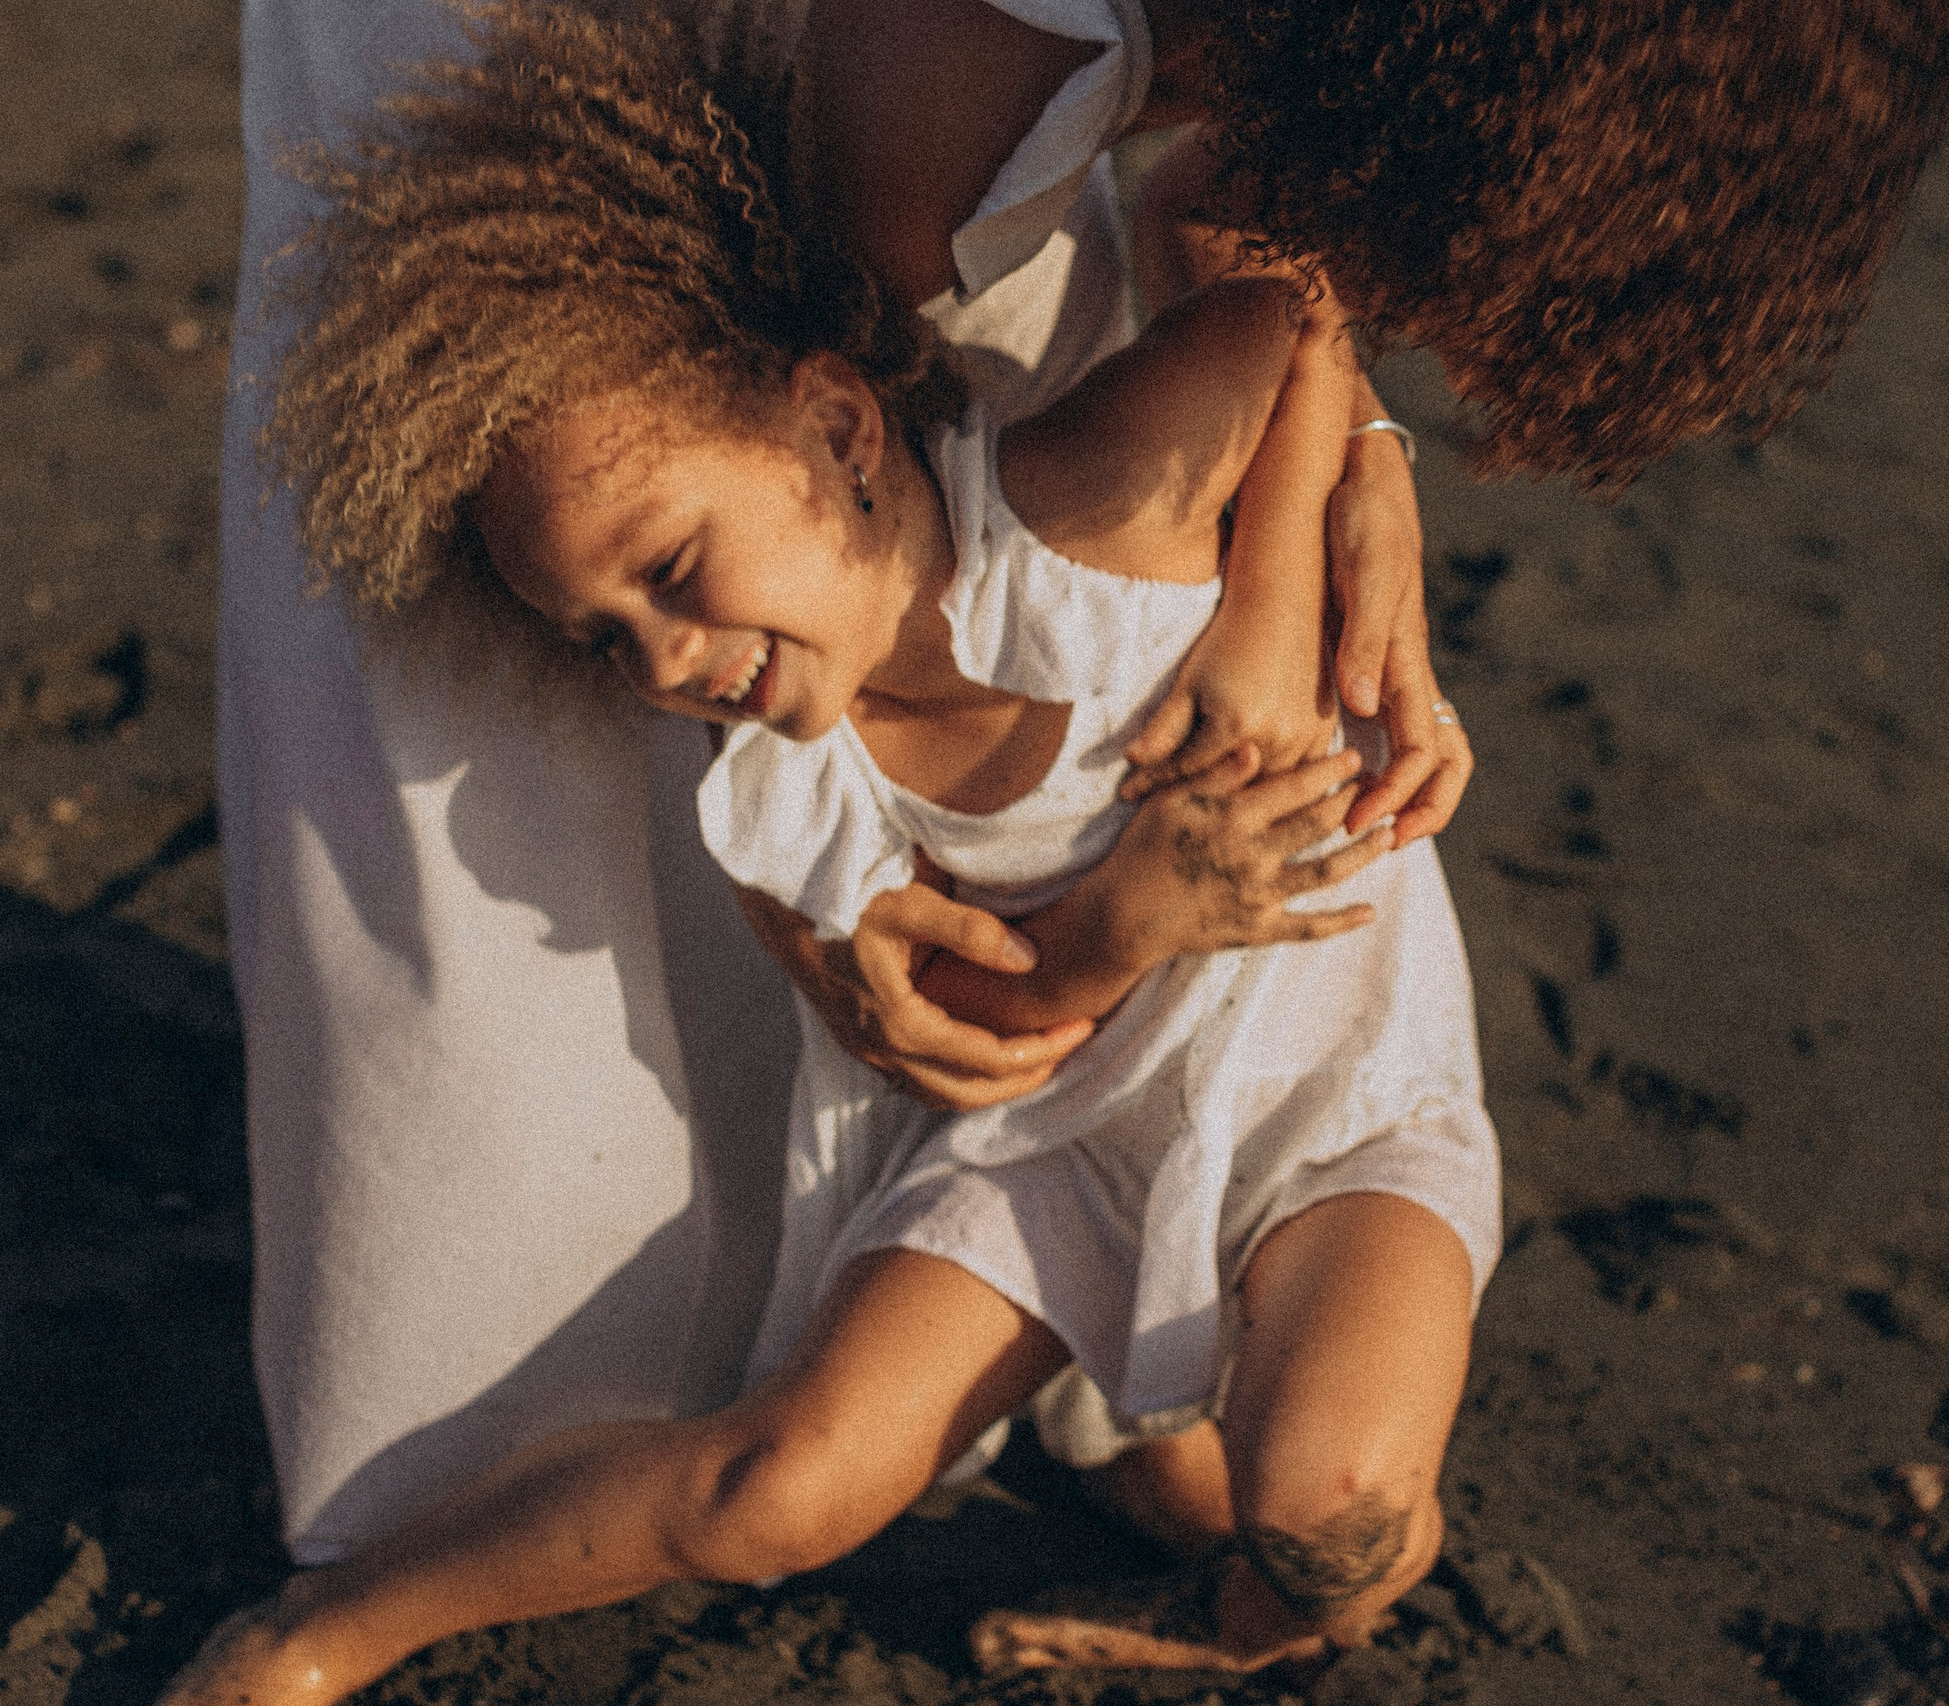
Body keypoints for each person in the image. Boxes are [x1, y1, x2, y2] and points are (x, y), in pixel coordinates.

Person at [175, 6, 1496, 1691]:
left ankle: (1230, 1606)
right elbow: (979, 1046)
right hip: (1054, 1153)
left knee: (1336, 1517)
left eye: (669, 572)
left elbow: (1276, 316)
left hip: (1332, 1096)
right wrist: (1133, 916)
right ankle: (334, 1621)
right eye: (601, 641)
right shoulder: (776, 783)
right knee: (780, 1486)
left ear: (841, 427)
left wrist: (1266, 607)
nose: (662, 667)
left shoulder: (1082, 509)